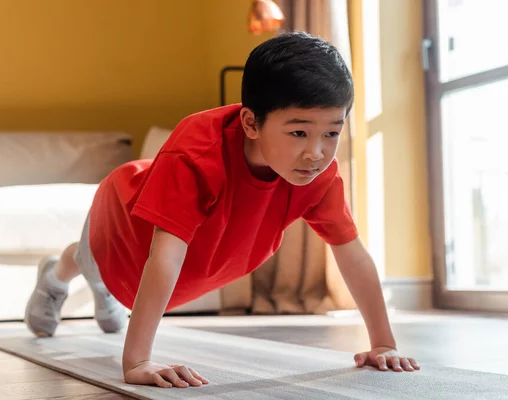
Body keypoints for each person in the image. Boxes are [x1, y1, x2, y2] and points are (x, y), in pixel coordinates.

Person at [24, 31, 420, 389]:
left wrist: (383, 343)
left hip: (179, 258)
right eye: (299, 132)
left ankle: (103, 292)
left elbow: (352, 253)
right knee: (87, 258)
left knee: (108, 288)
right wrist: (137, 360)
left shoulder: (317, 174)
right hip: (125, 226)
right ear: (250, 123)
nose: (316, 153)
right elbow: (164, 255)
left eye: (332, 132)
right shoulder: (197, 154)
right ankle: (55, 278)